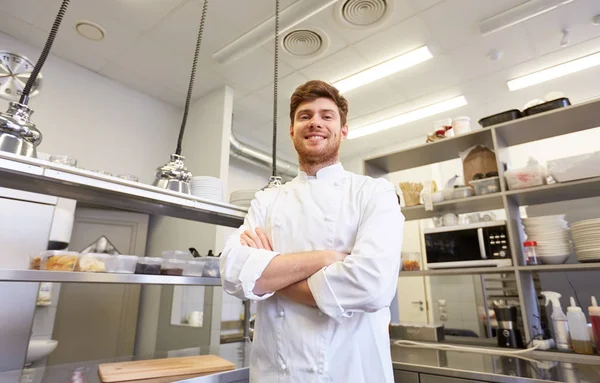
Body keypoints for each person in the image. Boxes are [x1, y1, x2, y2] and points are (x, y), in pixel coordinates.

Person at [220, 80, 404, 382]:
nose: (315, 122)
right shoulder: (267, 200)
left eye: (326, 115)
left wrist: (269, 275)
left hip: (351, 372)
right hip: (276, 374)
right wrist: (328, 258)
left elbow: (373, 285)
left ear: (343, 130)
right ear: (292, 130)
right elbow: (231, 270)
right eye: (304, 116)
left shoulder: (374, 193)